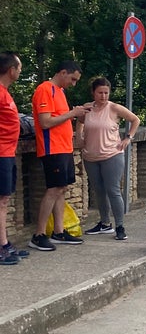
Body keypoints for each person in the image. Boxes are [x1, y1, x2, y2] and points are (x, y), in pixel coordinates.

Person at [28, 59, 88, 252]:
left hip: (63, 147)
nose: (73, 84)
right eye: (72, 79)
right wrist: (72, 113)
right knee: (53, 189)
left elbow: (60, 119)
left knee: (61, 188)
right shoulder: (45, 89)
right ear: (63, 72)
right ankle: (38, 234)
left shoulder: (60, 92)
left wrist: (76, 114)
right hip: (51, 148)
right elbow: (45, 122)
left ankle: (59, 231)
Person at [78, 77, 140, 240]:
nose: (103, 96)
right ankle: (105, 223)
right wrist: (79, 136)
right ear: (93, 92)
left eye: (106, 93)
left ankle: (120, 226)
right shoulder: (87, 108)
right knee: (98, 190)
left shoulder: (114, 108)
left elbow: (135, 119)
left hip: (112, 153)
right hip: (91, 155)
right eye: (100, 93)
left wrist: (128, 137)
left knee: (113, 190)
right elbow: (80, 120)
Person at [0, 52, 29, 264]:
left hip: (8, 153)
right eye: (19, 68)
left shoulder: (5, 93)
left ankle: (4, 243)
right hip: (1, 153)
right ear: (11, 70)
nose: (20, 71)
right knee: (1, 201)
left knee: (4, 200)